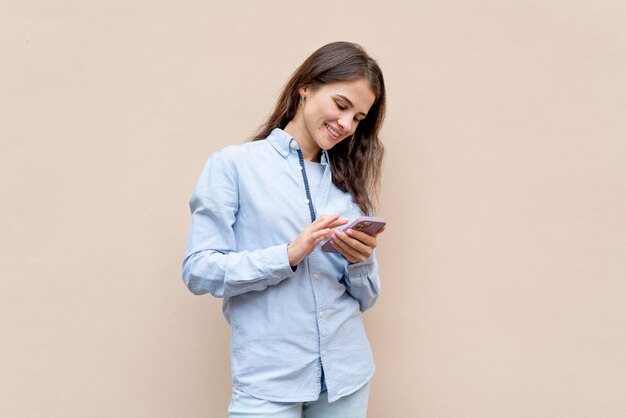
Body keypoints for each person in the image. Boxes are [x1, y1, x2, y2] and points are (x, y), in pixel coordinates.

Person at [182, 41, 387, 417]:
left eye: (358, 118)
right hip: (269, 379)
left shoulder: (348, 183)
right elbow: (199, 270)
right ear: (305, 86)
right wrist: (288, 255)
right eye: (341, 105)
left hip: (347, 376)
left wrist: (361, 263)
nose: (346, 124)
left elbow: (366, 298)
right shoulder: (233, 166)